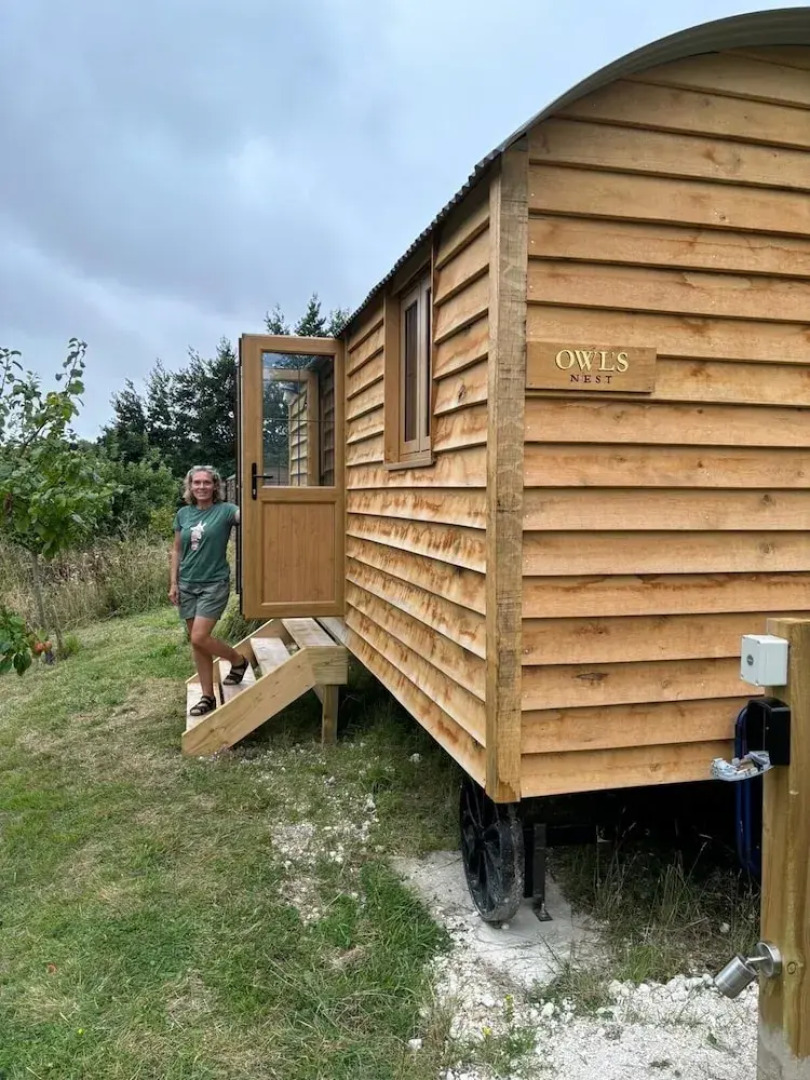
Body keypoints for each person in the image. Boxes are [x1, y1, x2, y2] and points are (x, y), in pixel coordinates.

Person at [169, 465, 249, 717]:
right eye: (197, 483)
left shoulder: (225, 511)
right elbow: (177, 551)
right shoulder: (183, 514)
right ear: (190, 487)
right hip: (187, 585)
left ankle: (238, 661)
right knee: (198, 645)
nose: (201, 487)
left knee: (199, 637)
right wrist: (173, 583)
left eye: (207, 482)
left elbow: (248, 515)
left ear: (215, 486)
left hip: (214, 584)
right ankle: (208, 697)